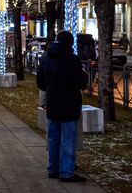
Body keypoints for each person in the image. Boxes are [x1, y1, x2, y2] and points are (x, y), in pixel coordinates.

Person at [37, 31, 88, 182]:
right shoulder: (72, 60)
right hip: (69, 104)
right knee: (67, 139)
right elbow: (81, 82)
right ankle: (66, 172)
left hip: (53, 104)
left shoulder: (47, 58)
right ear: (70, 43)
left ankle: (53, 169)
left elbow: (40, 82)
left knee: (53, 138)